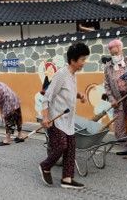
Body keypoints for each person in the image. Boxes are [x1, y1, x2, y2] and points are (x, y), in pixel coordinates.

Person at [39, 42, 89, 189]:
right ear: (73, 60)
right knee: (61, 145)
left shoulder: (73, 75)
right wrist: (46, 117)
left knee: (71, 148)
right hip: (56, 119)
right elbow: (47, 97)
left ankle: (67, 179)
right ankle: (45, 166)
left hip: (68, 119)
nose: (83, 63)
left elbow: (68, 92)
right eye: (82, 60)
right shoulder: (61, 74)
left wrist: (79, 95)